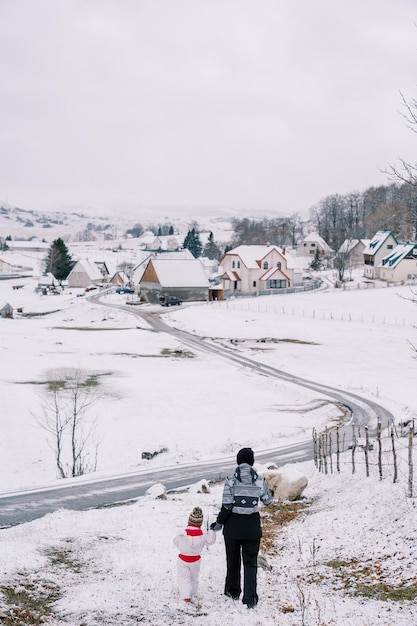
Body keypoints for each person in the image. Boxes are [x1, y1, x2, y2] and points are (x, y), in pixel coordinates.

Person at [211, 447, 272, 609]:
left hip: (233, 527)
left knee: (233, 560)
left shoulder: (230, 480)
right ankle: (250, 598)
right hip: (252, 527)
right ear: (252, 462)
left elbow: (227, 506)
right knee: (251, 562)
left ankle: (233, 591)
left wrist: (219, 523)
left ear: (238, 461)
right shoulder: (259, 480)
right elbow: (267, 501)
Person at [173, 506, 216, 607]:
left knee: (183, 577)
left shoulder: (182, 533)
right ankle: (194, 593)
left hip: (183, 558)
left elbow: (175, 542)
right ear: (200, 523)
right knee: (194, 578)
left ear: (189, 520)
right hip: (195, 559)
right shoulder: (203, 534)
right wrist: (212, 530)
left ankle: (185, 596)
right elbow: (210, 541)